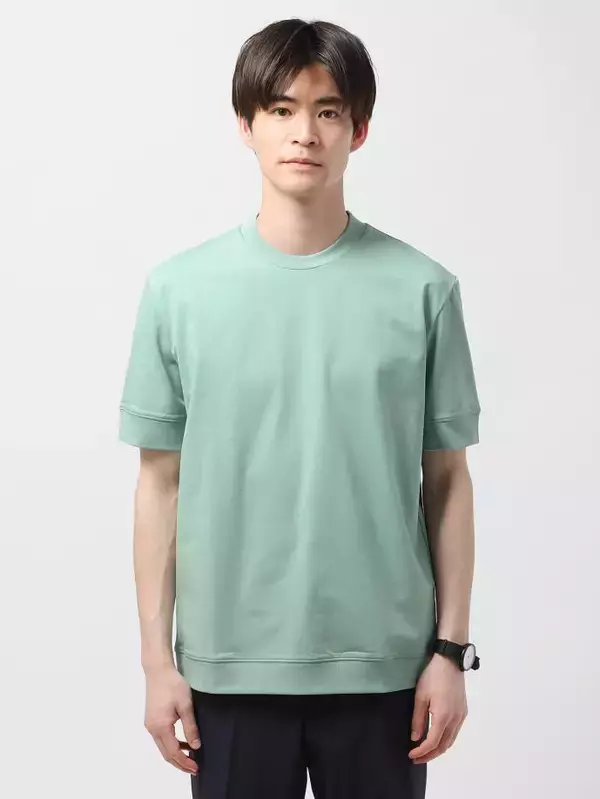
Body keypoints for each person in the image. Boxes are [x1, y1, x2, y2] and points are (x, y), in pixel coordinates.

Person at [118, 17, 482, 799]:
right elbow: (159, 485)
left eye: (327, 110)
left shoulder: (424, 290)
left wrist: (450, 651)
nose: (304, 133)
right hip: (226, 670)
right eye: (281, 109)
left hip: (385, 671)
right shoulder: (178, 291)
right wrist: (156, 661)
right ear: (245, 125)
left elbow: (448, 481)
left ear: (359, 129)